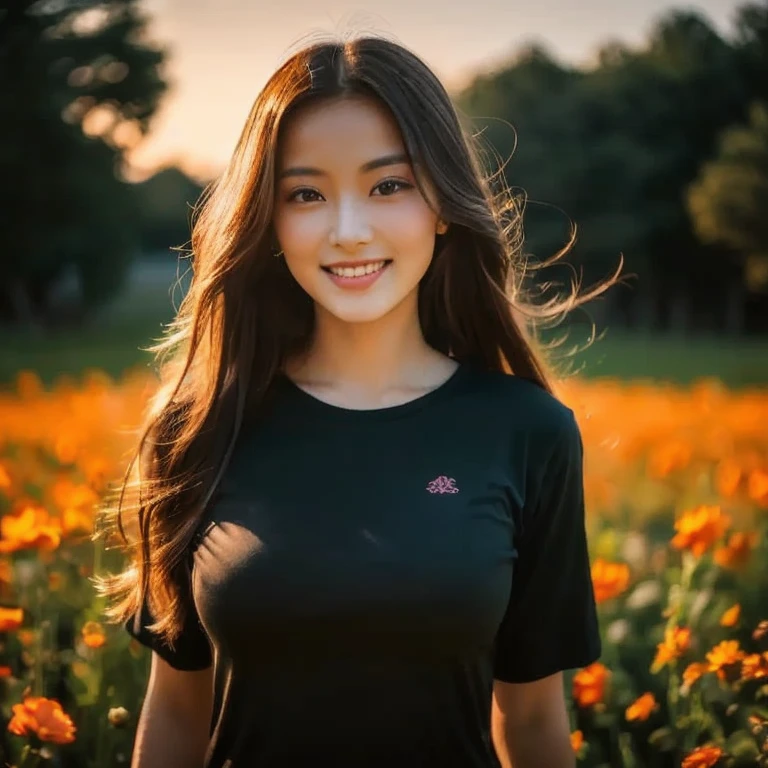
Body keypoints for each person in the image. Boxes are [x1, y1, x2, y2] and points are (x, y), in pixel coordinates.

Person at [99, 32, 620, 768]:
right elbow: (178, 714)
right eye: (305, 194)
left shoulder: (527, 432)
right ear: (269, 221)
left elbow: (533, 721)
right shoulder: (199, 429)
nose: (348, 232)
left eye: (389, 186)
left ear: (443, 204)